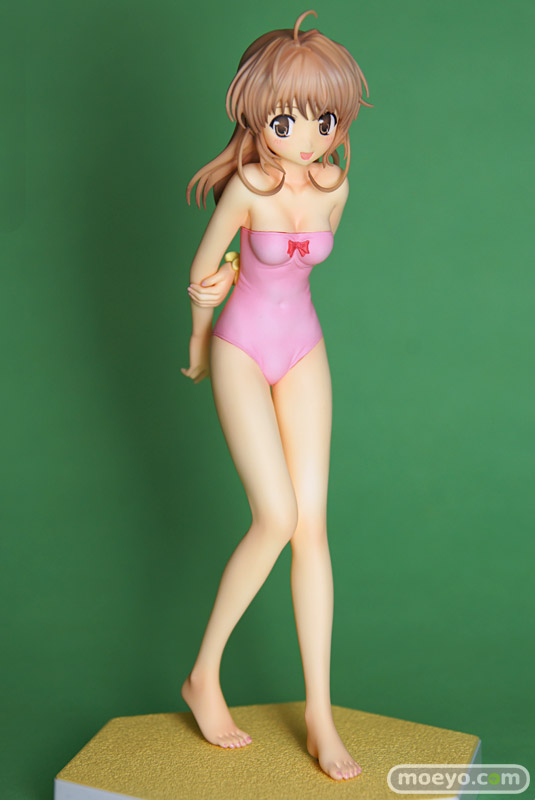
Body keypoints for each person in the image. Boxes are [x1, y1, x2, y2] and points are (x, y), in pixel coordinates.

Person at [180, 9, 371, 782]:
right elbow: (202, 275)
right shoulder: (244, 188)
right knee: (275, 515)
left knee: (312, 527)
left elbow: (300, 272)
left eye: (323, 120)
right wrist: (199, 344)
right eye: (287, 121)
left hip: (302, 348)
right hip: (238, 347)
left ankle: (321, 714)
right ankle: (203, 677)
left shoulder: (333, 186)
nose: (307, 137)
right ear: (256, 117)